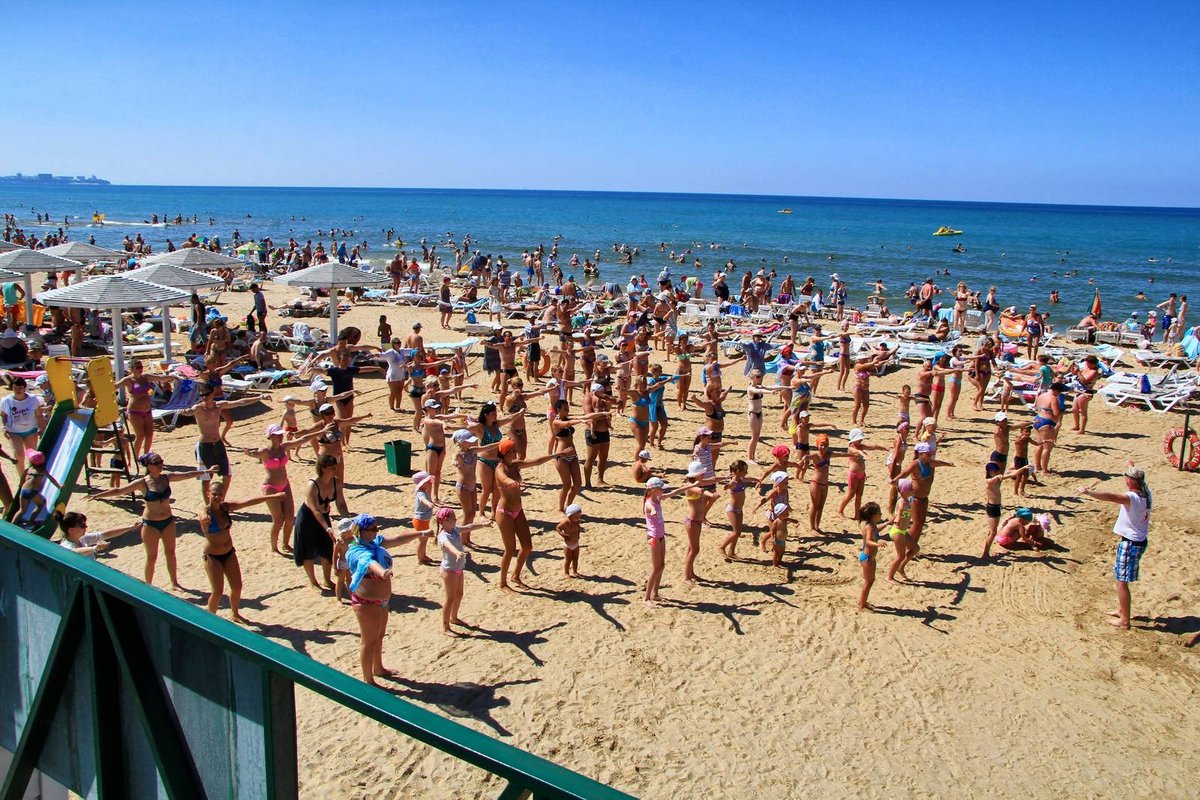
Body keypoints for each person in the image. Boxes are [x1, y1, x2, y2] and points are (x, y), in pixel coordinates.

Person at [89, 454, 212, 588]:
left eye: (161, 461)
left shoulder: (166, 477)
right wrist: (98, 495)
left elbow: (187, 474)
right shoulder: (142, 483)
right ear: (148, 465)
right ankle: (148, 586)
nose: (160, 464)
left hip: (168, 521)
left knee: (170, 553)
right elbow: (119, 490)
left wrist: (206, 471)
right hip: (150, 524)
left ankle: (174, 583)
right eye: (156, 462)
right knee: (151, 557)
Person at [344, 513, 421, 684]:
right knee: (368, 641)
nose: (377, 531)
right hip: (366, 603)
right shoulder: (357, 551)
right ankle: (368, 679)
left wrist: (421, 533)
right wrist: (383, 572)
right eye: (373, 529)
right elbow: (369, 563)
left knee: (379, 636)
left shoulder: (374, 542)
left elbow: (398, 539)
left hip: (382, 601)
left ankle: (378, 668)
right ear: (362, 532)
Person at [198, 475, 281, 624]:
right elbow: (202, 515)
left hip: (229, 552)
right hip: (212, 556)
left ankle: (235, 613)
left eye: (220, 494)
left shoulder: (225, 507)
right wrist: (204, 520)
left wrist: (274, 496)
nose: (217, 497)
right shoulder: (205, 512)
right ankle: (209, 620)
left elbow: (247, 502)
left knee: (237, 587)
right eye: (214, 494)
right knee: (217, 592)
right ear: (208, 494)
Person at [1079, 463, 1151, 629]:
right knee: (1120, 577)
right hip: (1137, 540)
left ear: (1130, 481)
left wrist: (1089, 492)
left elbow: (1111, 497)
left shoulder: (1131, 498)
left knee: (1121, 581)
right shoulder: (1147, 493)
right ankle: (1121, 610)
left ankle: (1125, 620)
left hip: (1130, 543)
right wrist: (1131, 465)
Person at [243, 423, 324, 555]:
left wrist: (322, 430)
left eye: (281, 434)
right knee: (278, 520)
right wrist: (248, 453)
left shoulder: (283, 447)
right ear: (270, 436)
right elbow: (255, 453)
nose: (281, 437)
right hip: (270, 487)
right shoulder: (265, 451)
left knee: (290, 518)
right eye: (278, 435)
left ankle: (285, 544)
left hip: (285, 485)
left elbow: (303, 439)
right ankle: (274, 547)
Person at [494, 438, 558, 590]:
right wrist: (511, 482)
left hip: (518, 510)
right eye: (513, 451)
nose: (516, 453)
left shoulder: (516, 465)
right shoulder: (500, 468)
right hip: (505, 512)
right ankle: (503, 583)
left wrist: (555, 455)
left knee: (527, 546)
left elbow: (536, 461)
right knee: (510, 550)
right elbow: (504, 478)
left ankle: (515, 575)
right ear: (505, 453)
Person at [434, 507, 492, 636]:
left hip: (459, 568)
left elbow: (469, 527)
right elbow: (448, 545)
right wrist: (458, 552)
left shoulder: (454, 530)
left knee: (459, 594)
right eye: (453, 518)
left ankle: (453, 618)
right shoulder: (443, 536)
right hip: (449, 570)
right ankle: (445, 627)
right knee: (450, 598)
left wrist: (483, 525)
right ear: (445, 521)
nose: (455, 520)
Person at [642, 476, 696, 608]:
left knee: (662, 565)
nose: (662, 491)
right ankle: (647, 597)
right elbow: (650, 508)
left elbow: (676, 492)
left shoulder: (658, 498)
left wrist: (692, 485)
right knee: (655, 568)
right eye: (660, 489)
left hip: (661, 536)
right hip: (654, 537)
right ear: (653, 490)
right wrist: (653, 511)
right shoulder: (649, 502)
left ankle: (655, 593)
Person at [293, 454, 340, 591]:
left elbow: (341, 503)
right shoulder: (312, 485)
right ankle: (313, 581)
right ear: (323, 468)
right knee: (308, 551)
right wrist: (327, 528)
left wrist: (346, 519)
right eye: (332, 468)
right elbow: (315, 510)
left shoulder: (336, 482)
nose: (335, 470)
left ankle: (327, 580)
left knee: (327, 549)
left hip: (324, 516)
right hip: (308, 518)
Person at [114, 360, 173, 460]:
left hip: (147, 410)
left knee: (149, 436)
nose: (140, 369)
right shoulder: (128, 380)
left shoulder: (145, 377)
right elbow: (115, 386)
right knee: (140, 436)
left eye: (141, 367)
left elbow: (160, 378)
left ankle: (146, 457)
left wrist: (173, 377)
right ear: (131, 369)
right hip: (134, 411)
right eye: (137, 367)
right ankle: (136, 458)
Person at [2, 376, 44, 476]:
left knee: (33, 456)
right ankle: (22, 478)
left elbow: (39, 415)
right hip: (14, 431)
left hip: (30, 430)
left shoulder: (33, 399)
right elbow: (3, 415)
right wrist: (4, 428)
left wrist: (42, 429)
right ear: (12, 388)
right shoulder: (6, 401)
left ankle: (32, 477)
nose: (18, 390)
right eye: (15, 388)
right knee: (19, 455)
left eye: (20, 388)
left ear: (24, 388)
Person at [56, 511, 139, 559]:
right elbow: (73, 552)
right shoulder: (65, 546)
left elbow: (106, 534)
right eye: (83, 526)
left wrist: (130, 527)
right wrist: (94, 548)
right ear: (71, 530)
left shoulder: (83, 539)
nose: (86, 527)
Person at [16, 450, 61, 527]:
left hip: (24, 490)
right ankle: (31, 520)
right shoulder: (42, 471)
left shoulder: (29, 469)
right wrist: (59, 486)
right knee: (41, 504)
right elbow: (51, 479)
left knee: (22, 510)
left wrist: (20, 485)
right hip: (32, 491)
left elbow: (22, 478)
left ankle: (11, 524)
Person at [856, 502, 885, 610]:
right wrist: (878, 544)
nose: (881, 514)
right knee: (868, 582)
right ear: (874, 516)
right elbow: (868, 541)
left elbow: (876, 531)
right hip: (866, 558)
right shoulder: (869, 527)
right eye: (880, 513)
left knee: (870, 581)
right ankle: (861, 604)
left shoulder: (873, 525)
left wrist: (887, 523)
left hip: (870, 558)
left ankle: (863, 602)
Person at [555, 503, 584, 577]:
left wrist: (578, 533)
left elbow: (578, 528)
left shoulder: (577, 521)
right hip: (568, 545)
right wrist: (563, 535)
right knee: (568, 559)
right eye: (576, 516)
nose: (578, 518)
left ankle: (575, 571)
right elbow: (558, 528)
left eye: (579, 516)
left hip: (576, 543)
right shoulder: (565, 522)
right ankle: (566, 572)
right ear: (570, 515)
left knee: (575, 559)